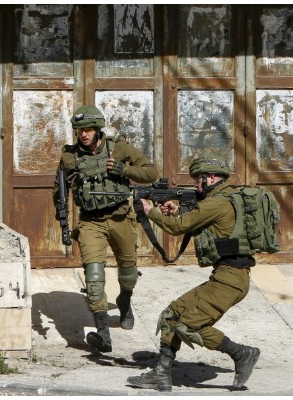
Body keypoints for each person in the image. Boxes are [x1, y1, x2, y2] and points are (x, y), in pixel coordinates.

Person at [126, 157, 260, 392]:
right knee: (171, 315)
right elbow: (210, 225)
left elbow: (178, 227)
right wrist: (177, 210)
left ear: (211, 178)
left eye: (199, 179)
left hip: (231, 279)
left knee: (188, 326)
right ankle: (161, 374)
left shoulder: (215, 203)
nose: (196, 184)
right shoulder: (224, 200)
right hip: (225, 276)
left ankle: (242, 353)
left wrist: (150, 212)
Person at [53, 105, 159, 353]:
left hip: (121, 216)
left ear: (98, 130)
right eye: (79, 130)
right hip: (90, 221)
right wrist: (63, 221)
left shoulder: (118, 148)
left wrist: (125, 170)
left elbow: (151, 172)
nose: (84, 135)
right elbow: (59, 191)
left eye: (88, 130)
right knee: (94, 278)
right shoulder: (69, 157)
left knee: (129, 273)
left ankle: (125, 299)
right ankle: (103, 332)